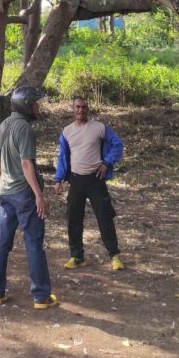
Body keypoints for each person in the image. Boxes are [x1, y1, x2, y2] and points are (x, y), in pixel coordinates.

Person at [0, 86, 58, 310]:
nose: (38, 107)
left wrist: (2, 181)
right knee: (34, 243)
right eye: (36, 104)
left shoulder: (3, 125)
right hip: (24, 195)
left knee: (2, 243)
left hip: (6, 193)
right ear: (26, 106)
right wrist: (38, 194)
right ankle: (41, 296)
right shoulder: (24, 128)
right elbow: (27, 164)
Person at [53, 97, 125, 271]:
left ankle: (114, 256)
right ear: (72, 109)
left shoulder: (98, 128)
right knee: (73, 218)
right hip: (76, 180)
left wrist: (107, 162)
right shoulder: (67, 132)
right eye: (77, 107)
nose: (81, 110)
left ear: (88, 109)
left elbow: (117, 144)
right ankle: (77, 256)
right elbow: (63, 157)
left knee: (105, 217)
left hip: (95, 179)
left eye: (84, 107)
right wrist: (58, 179)